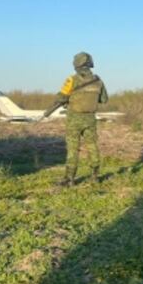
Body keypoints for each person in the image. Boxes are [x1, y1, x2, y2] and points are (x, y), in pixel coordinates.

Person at [44, 52, 108, 186]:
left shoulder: (72, 80)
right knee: (92, 146)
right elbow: (104, 99)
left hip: (74, 119)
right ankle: (95, 177)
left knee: (73, 149)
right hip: (90, 118)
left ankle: (69, 179)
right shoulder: (98, 81)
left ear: (77, 64)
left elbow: (61, 98)